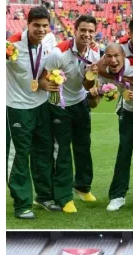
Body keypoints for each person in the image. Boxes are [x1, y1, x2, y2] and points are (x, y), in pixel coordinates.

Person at [41, 15, 100, 214]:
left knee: (84, 146)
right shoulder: (59, 53)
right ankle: (64, 196)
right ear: (75, 31)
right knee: (62, 150)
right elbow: (44, 78)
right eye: (83, 30)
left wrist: (92, 79)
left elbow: (86, 84)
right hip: (59, 105)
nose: (87, 34)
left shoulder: (94, 52)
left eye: (91, 31)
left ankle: (82, 187)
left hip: (80, 102)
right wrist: (52, 90)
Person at [6, 6, 58, 219]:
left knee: (44, 152)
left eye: (45, 25)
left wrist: (47, 82)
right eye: (36, 25)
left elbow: (48, 68)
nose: (41, 29)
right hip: (17, 107)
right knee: (19, 156)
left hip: (42, 105)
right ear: (27, 24)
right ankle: (22, 204)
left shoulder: (50, 40)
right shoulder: (11, 46)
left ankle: (44, 196)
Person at [94, 43, 133, 213]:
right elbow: (96, 84)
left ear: (124, 56)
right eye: (109, 56)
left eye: (116, 56)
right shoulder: (106, 71)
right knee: (124, 151)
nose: (113, 60)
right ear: (104, 57)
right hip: (128, 111)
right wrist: (99, 91)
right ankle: (117, 196)